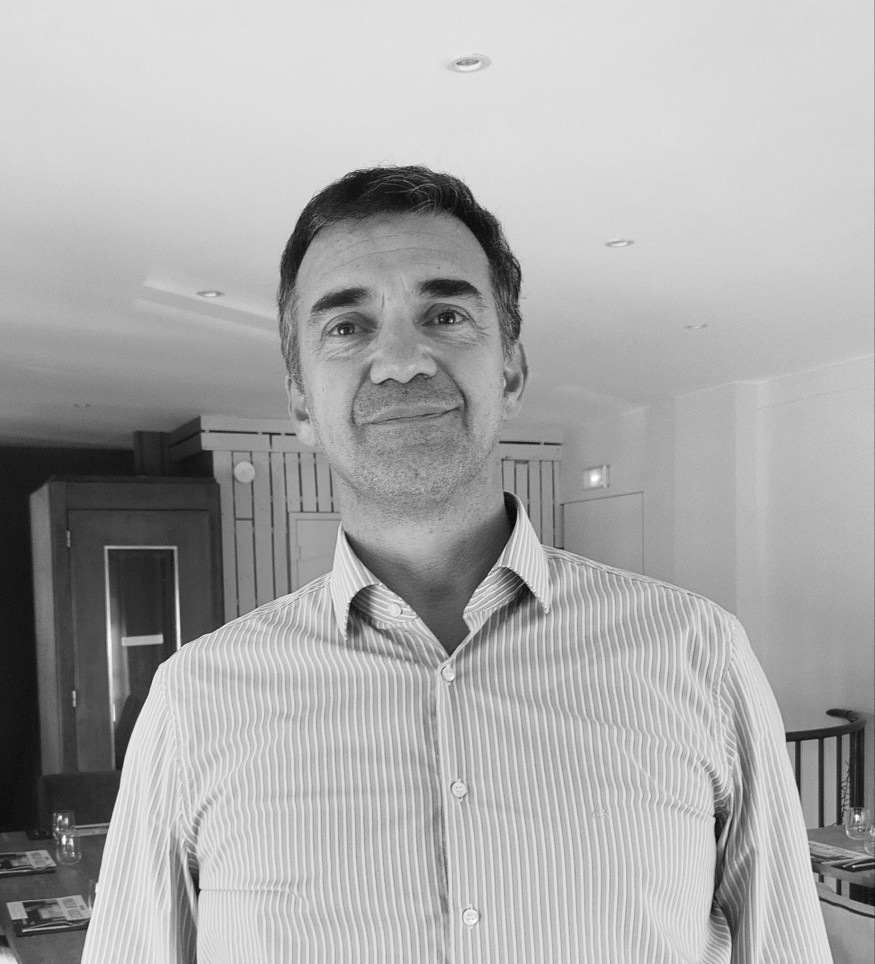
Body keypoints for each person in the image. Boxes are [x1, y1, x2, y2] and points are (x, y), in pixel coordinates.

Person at [82, 166, 831, 963]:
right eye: (347, 327)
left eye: (444, 315)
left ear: (510, 371)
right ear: (299, 400)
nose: (400, 362)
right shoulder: (194, 706)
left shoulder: (699, 657)